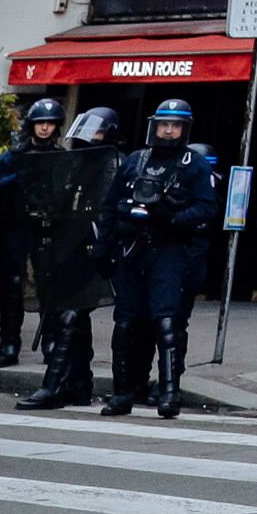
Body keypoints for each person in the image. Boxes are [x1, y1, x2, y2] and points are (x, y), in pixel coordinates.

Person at [93, 100, 214, 419]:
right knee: (126, 323)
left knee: (167, 321)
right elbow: (110, 205)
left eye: (175, 126)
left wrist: (171, 219)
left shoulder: (194, 164)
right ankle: (122, 393)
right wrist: (103, 247)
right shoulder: (135, 161)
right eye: (164, 124)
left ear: (184, 129)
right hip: (131, 249)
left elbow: (206, 208)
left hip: (169, 250)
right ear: (154, 126)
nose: (169, 131)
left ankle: (169, 393)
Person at [13, 104, 114, 411]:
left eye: (97, 131)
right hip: (69, 249)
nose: (89, 137)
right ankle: (79, 385)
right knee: (74, 319)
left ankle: (54, 384)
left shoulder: (112, 165)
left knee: (70, 316)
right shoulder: (76, 163)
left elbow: (105, 212)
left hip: (92, 250)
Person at [0, 98, 58, 370]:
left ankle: (51, 343)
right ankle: (8, 345)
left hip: (45, 229)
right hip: (15, 228)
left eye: (49, 124)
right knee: (11, 287)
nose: (44, 128)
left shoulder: (61, 158)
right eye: (40, 123)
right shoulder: (12, 157)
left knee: (48, 285)